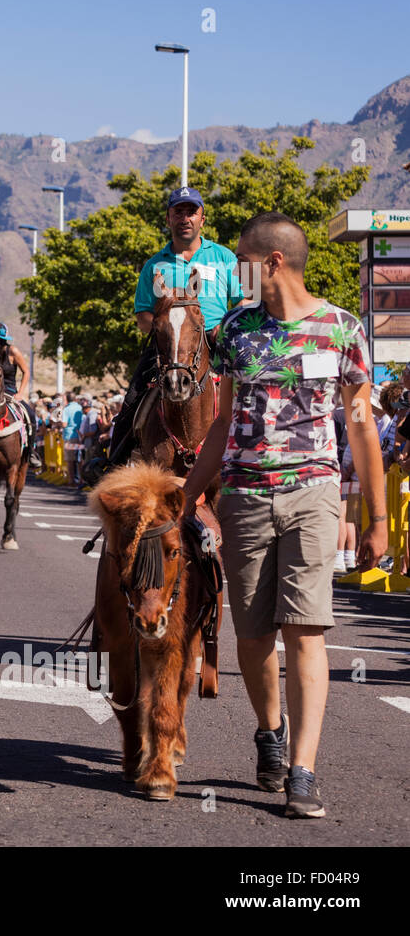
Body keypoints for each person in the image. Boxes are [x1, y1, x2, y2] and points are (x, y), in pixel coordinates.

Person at [181, 211, 386, 819]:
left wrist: (376, 517)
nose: (231, 271)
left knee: (307, 628)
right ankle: (268, 730)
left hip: (314, 496)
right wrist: (189, 495)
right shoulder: (236, 331)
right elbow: (220, 424)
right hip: (244, 497)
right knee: (251, 633)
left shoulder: (341, 329)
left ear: (270, 262)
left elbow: (361, 426)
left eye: (240, 260)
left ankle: (303, 768)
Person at [108, 186, 245, 466]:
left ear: (202, 219)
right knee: (132, 401)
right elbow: (143, 317)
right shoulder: (153, 265)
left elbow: (247, 300)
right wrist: (162, 329)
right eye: (178, 212)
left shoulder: (225, 257)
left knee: (254, 390)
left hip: (215, 340)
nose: (185, 218)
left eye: (191, 212)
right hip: (168, 345)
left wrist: (225, 329)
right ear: (168, 219)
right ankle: (111, 460)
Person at [0, 322, 40, 470]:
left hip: (11, 392)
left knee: (31, 415)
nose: (1, 342)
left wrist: (20, 393)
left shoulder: (12, 352)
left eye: (3, 339)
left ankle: (30, 453)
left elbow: (26, 371)